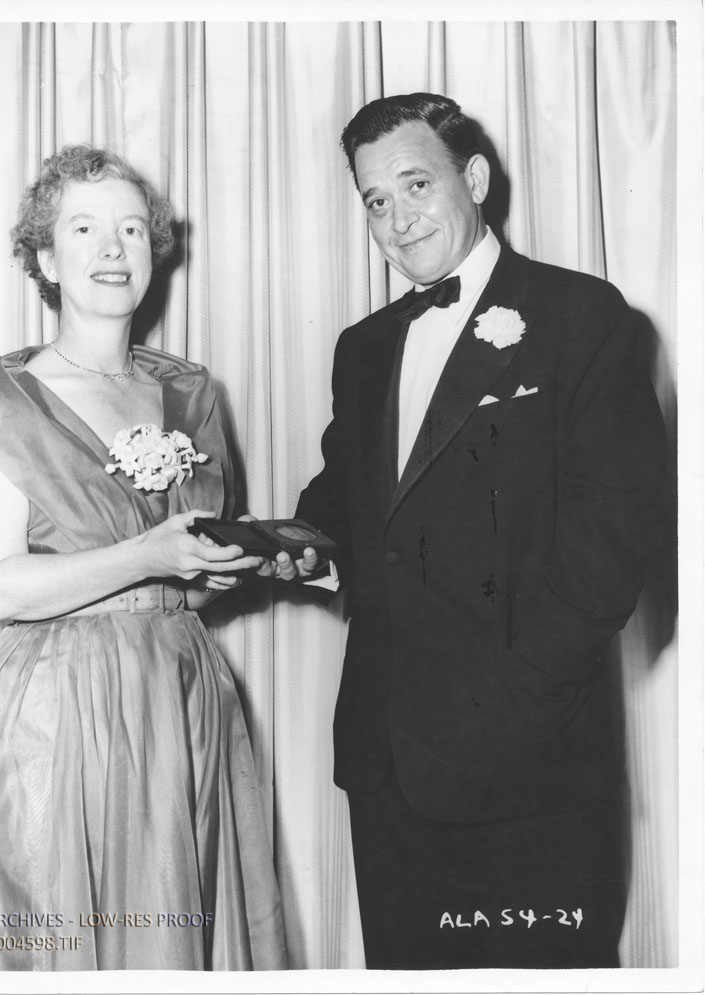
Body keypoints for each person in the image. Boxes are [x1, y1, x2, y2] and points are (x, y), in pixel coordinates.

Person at [271, 93, 671, 969]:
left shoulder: (580, 315)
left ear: (476, 179)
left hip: (528, 763)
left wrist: (515, 702)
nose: (396, 218)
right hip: (385, 762)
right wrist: (268, 547)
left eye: (416, 184)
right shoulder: (363, 346)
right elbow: (344, 502)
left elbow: (614, 538)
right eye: (375, 200)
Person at [0, 145, 286, 971]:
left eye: (132, 229)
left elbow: (186, 581)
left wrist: (230, 568)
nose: (113, 248)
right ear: (46, 258)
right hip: (60, 709)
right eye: (84, 228)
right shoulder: (1, 402)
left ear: (154, 253)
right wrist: (146, 554)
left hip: (182, 695)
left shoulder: (190, 392)